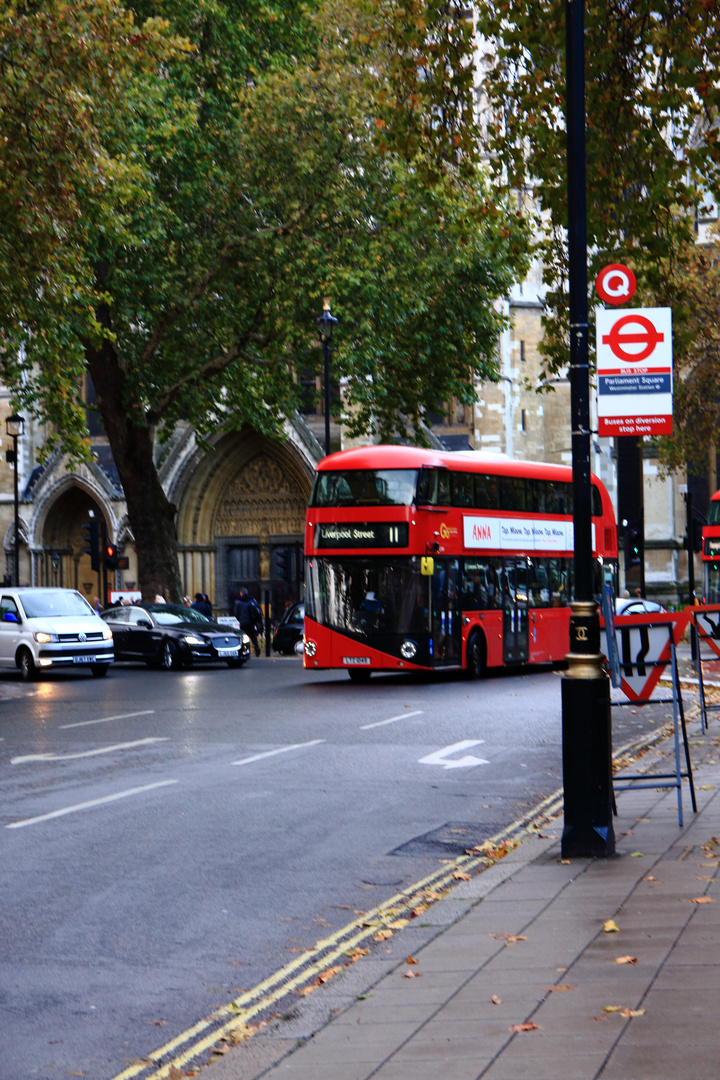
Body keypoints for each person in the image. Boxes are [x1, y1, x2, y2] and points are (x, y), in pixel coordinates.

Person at [234, 588, 263, 656]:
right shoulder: (252, 600)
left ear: (241, 593)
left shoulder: (238, 602)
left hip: (243, 622)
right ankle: (257, 648)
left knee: (243, 638)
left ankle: (245, 650)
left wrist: (240, 620)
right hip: (251, 622)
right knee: (253, 636)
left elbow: (236, 613)